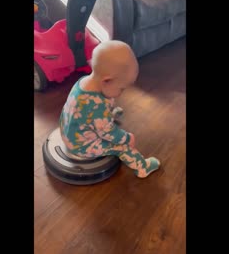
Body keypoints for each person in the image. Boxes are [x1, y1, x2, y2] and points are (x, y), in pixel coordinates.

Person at [59, 40, 160, 178]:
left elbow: (88, 113)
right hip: (81, 146)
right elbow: (108, 133)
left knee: (102, 112)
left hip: (69, 131)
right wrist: (126, 138)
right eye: (121, 88)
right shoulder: (97, 107)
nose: (122, 92)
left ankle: (107, 117)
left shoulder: (83, 82)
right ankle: (143, 167)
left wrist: (106, 115)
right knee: (122, 147)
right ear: (106, 81)